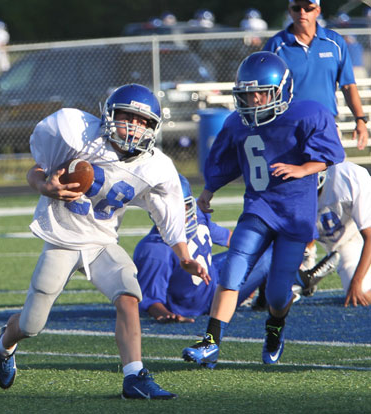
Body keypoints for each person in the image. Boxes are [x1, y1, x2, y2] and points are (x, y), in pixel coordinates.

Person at [0, 83, 210, 400]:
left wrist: (184, 255)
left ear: (153, 128)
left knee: (129, 295)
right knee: (31, 325)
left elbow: (168, 213)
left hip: (101, 242)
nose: (134, 127)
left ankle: (134, 376)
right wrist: (44, 185)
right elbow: (37, 169)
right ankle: (4, 344)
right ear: (109, 116)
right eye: (127, 117)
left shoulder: (156, 166)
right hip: (62, 238)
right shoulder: (79, 135)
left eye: (142, 121)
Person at [181, 51, 345, 369]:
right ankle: (210, 342)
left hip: (295, 215)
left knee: (278, 294)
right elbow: (225, 163)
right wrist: (208, 191)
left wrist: (302, 169)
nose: (254, 99)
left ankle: (275, 327)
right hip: (259, 206)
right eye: (247, 93)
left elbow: (328, 155)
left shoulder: (307, 114)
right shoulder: (237, 123)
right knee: (232, 270)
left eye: (261, 92)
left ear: (281, 90)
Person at [134, 174, 271, 323]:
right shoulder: (154, 249)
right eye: (166, 208)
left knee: (265, 246)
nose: (174, 215)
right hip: (204, 302)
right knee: (267, 256)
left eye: (181, 207)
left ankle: (268, 293)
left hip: (212, 274)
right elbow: (149, 298)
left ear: (189, 204)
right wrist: (163, 314)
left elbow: (232, 240)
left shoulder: (197, 216)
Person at [263, 0, 369, 151]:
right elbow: (264, 89)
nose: (302, 13)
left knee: (331, 172)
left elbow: (348, 84)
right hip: (288, 127)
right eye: (297, 8)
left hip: (326, 125)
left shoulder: (335, 42)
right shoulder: (276, 45)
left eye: (308, 8)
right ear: (290, 11)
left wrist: (360, 119)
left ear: (317, 11)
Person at [295, 161, 371, 307]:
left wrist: (357, 281)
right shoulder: (289, 189)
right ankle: (308, 263)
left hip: (357, 232)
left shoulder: (348, 177)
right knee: (360, 296)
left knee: (360, 289)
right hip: (341, 243)